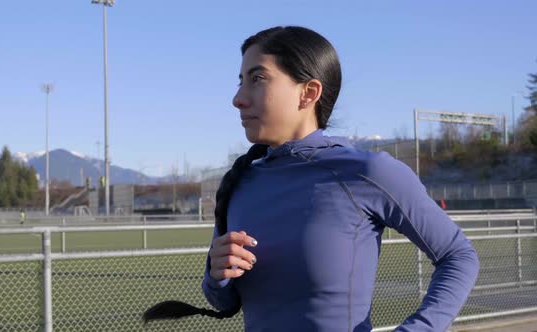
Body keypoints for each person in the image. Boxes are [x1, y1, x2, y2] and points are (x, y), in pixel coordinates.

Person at [144, 26, 479, 331]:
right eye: (240, 80)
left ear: (308, 93)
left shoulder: (367, 172)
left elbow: (458, 257)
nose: (238, 98)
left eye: (257, 78)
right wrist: (217, 276)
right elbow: (224, 302)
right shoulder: (239, 183)